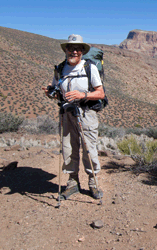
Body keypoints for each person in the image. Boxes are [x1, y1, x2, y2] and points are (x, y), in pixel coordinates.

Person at [42, 34, 105, 200]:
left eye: (78, 49)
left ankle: (93, 182)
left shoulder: (89, 68)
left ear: (82, 51)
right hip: (67, 113)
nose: (74, 51)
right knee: (68, 147)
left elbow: (100, 93)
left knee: (89, 147)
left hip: (86, 113)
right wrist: (51, 93)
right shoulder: (60, 68)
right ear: (66, 50)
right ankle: (72, 182)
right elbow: (57, 92)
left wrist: (82, 94)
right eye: (71, 48)